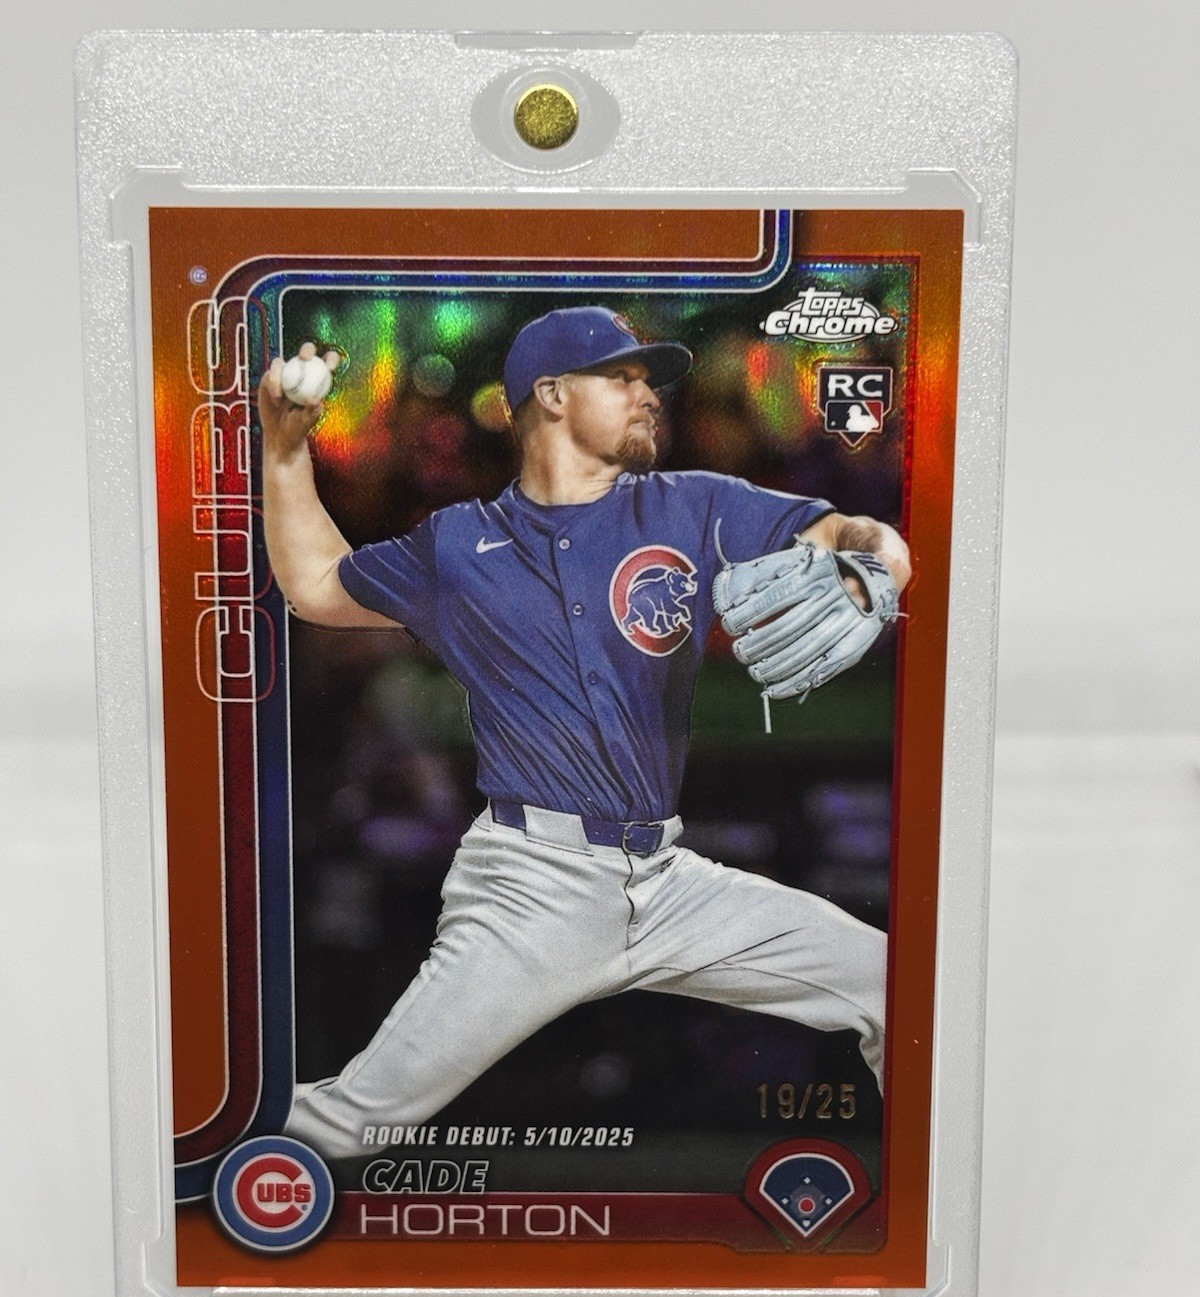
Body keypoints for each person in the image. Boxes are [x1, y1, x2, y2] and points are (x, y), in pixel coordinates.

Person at [258, 307, 911, 1160]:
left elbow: (848, 534)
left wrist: (878, 561)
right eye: (623, 378)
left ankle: (914, 1201)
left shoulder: (692, 505)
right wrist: (284, 451)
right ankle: (189, 1165)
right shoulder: (459, 544)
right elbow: (314, 585)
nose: (649, 395)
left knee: (896, 988)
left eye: (649, 380)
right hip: (532, 887)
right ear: (554, 395)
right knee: (353, 1123)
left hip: (668, 879)